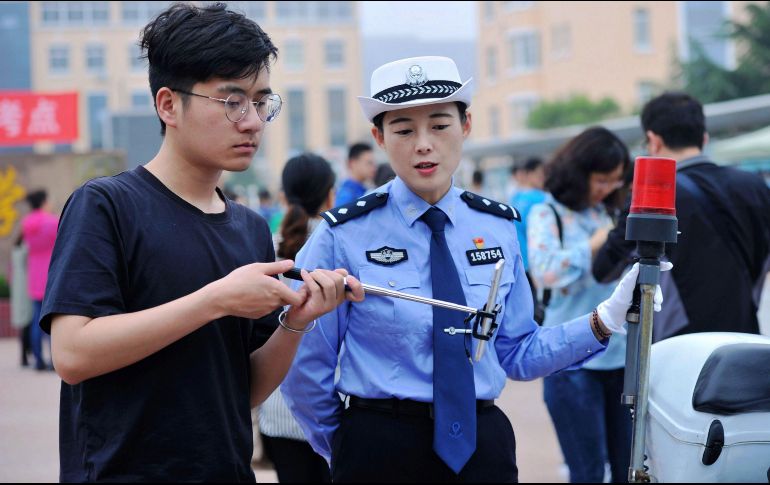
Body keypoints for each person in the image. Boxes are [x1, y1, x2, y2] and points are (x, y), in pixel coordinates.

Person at [281, 56, 666, 482]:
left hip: (482, 448)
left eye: (440, 125)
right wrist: (345, 444)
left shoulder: (497, 227)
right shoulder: (342, 235)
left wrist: (603, 320)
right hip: (379, 448)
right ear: (379, 136)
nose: (423, 144)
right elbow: (304, 365)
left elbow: (518, 351)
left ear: (466, 126)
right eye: (404, 129)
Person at [38, 4, 363, 482]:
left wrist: (297, 322)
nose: (253, 122)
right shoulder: (107, 205)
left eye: (261, 102)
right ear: (169, 104)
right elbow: (72, 355)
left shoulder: (249, 228)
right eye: (232, 101)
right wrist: (214, 300)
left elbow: (245, 389)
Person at [593, 92, 770, 340]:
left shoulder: (651, 196)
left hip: (679, 346)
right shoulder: (755, 186)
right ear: (704, 138)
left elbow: (604, 269)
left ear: (653, 141)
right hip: (745, 337)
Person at [527, 127, 631, 483]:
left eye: (615, 181)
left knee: (626, 468)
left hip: (620, 356)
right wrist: (594, 244)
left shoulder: (608, 213)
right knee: (586, 470)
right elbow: (545, 272)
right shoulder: (547, 213)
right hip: (571, 361)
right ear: (579, 171)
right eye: (601, 179)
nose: (608, 189)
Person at [258, 153, 337, 483]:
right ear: (331, 194)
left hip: (277, 412)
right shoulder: (339, 245)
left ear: (283, 196)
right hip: (329, 410)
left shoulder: (265, 248)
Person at [21, 189, 58, 371]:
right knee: (53, 322)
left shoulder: (26, 223)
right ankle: (54, 360)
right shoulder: (52, 222)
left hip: (34, 275)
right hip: (51, 274)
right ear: (44, 201)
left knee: (36, 319)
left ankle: (37, 359)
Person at [510, 157, 546, 273]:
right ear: (529, 174)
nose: (544, 179)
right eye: (540, 175)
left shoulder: (515, 196)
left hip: (519, 260)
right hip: (536, 262)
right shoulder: (541, 198)